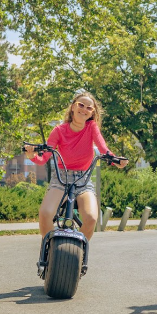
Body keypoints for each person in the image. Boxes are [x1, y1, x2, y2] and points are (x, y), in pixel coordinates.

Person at [24, 92, 128, 243]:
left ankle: (77, 251)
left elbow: (103, 148)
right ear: (73, 107)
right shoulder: (59, 130)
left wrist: (115, 160)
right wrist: (31, 155)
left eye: (89, 108)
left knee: (91, 218)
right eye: (81, 105)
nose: (84, 109)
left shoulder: (91, 127)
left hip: (83, 179)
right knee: (45, 213)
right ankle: (50, 248)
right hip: (61, 178)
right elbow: (43, 158)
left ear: (92, 113)